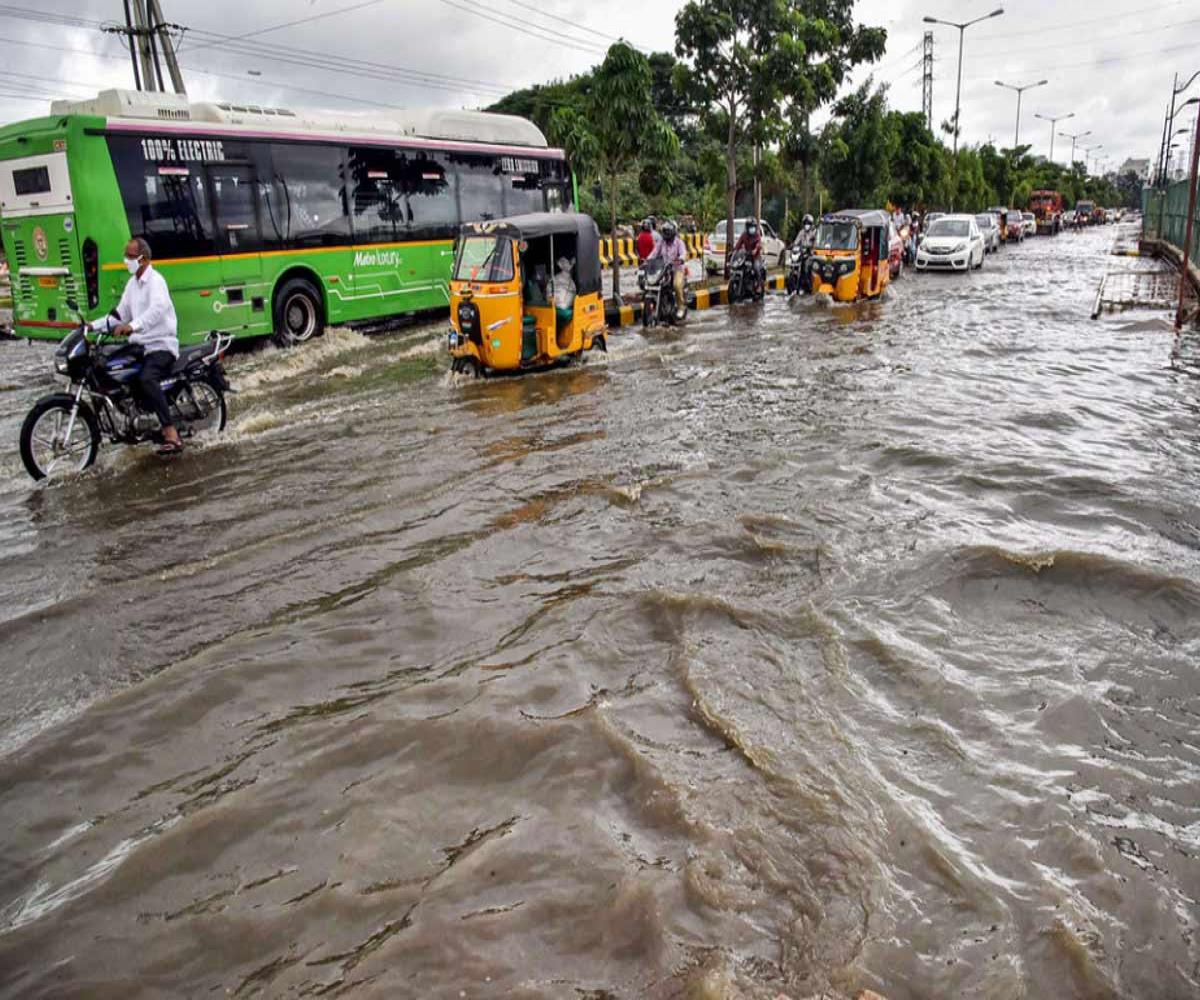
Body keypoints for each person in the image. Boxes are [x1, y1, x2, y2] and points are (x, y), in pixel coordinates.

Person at [90, 237, 182, 454]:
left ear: (144, 259)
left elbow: (156, 310)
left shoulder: (156, 282)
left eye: (131, 256)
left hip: (161, 344)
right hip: (140, 346)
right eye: (127, 256)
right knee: (110, 367)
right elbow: (119, 314)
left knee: (146, 378)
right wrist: (91, 326)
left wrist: (132, 326)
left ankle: (171, 433)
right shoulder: (132, 284)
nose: (127, 260)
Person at [646, 219, 687, 320]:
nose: (666, 235)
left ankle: (681, 307)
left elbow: (683, 254)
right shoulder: (661, 242)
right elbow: (654, 253)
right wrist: (647, 260)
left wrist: (680, 259)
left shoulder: (679, 243)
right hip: (663, 269)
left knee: (676, 285)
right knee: (651, 282)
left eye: (668, 232)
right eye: (665, 232)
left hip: (677, 269)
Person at [732, 219, 765, 290]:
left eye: (753, 227)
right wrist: (735, 251)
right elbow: (739, 244)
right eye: (750, 227)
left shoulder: (757, 235)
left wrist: (755, 250)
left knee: (756, 268)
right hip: (746, 256)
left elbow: (758, 244)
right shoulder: (744, 235)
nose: (751, 228)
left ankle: (759, 285)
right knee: (740, 266)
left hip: (755, 257)